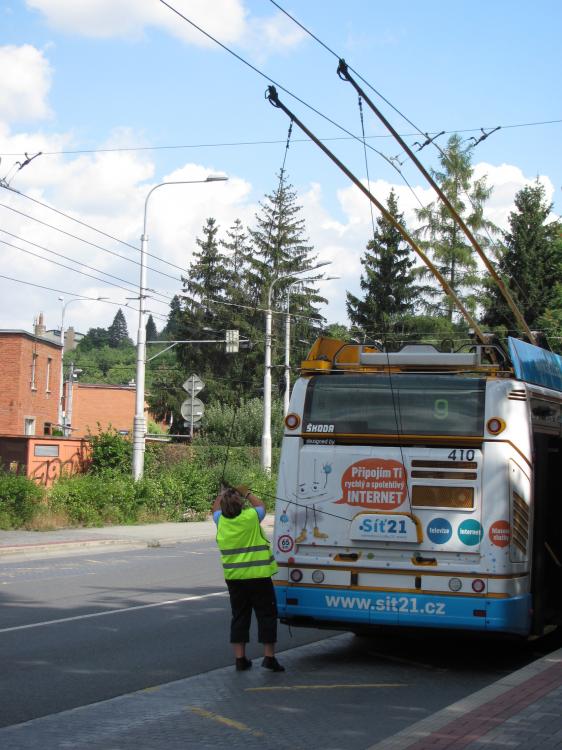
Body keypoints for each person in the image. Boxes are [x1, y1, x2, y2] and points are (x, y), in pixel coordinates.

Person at [212, 484, 285, 672]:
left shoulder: (220, 521)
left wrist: (221, 495)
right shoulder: (251, 517)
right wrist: (247, 492)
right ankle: (269, 657)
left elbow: (215, 509)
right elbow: (262, 506)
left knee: (239, 616)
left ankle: (240, 659)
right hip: (258, 576)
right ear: (241, 505)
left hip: (235, 579)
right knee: (266, 615)